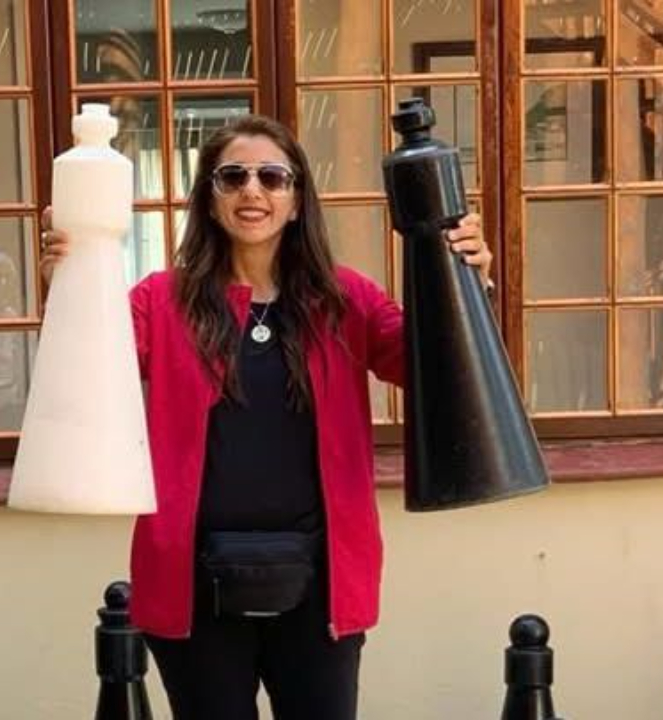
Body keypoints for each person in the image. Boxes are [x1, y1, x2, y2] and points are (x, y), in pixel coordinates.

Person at [39, 114, 491, 720]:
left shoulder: (345, 299)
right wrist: (71, 284)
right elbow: (94, 370)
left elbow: (437, 369)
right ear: (210, 197)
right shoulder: (161, 301)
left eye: (272, 177)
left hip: (321, 584)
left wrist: (466, 282)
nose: (252, 190)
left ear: (297, 200)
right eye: (233, 177)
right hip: (192, 586)